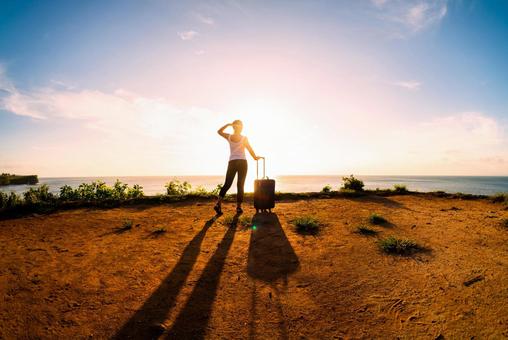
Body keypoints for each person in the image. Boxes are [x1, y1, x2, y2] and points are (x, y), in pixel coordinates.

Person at [214, 120, 261, 214]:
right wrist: (255, 157)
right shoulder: (244, 138)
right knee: (240, 185)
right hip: (242, 162)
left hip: (232, 162)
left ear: (234, 127)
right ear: (241, 127)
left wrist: (228, 124)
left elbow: (219, 131)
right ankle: (238, 207)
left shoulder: (229, 136)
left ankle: (218, 204)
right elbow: (249, 149)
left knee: (227, 184)